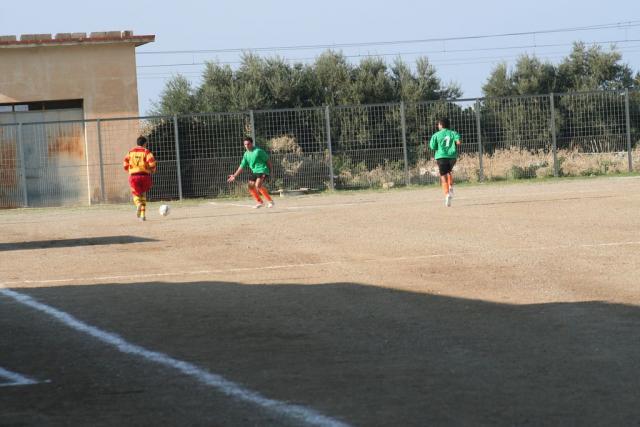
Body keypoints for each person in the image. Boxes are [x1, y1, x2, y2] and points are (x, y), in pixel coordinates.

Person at [227, 137, 274, 208]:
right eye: (245, 144)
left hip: (263, 170)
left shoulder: (258, 151)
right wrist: (234, 175)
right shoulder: (246, 154)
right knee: (250, 186)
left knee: (258, 185)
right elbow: (242, 166)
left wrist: (271, 172)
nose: (246, 146)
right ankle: (260, 202)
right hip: (255, 171)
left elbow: (268, 161)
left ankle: (270, 201)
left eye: (248, 144)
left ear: (252, 144)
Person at [429, 117, 461, 207]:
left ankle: (447, 194)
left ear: (441, 125)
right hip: (452, 157)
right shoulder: (453, 133)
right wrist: (453, 144)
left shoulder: (436, 135)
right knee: (449, 171)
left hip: (441, 156)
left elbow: (432, 146)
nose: (438, 126)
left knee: (443, 176)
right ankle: (451, 186)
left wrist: (439, 146)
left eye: (438, 124)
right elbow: (458, 142)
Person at [123, 136, 157, 221]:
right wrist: (152, 170)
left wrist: (129, 170)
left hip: (134, 176)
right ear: (145, 143)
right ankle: (143, 216)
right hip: (145, 176)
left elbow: (125, 163)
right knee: (143, 195)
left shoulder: (130, 152)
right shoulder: (146, 152)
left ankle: (138, 204)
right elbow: (152, 163)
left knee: (135, 194)